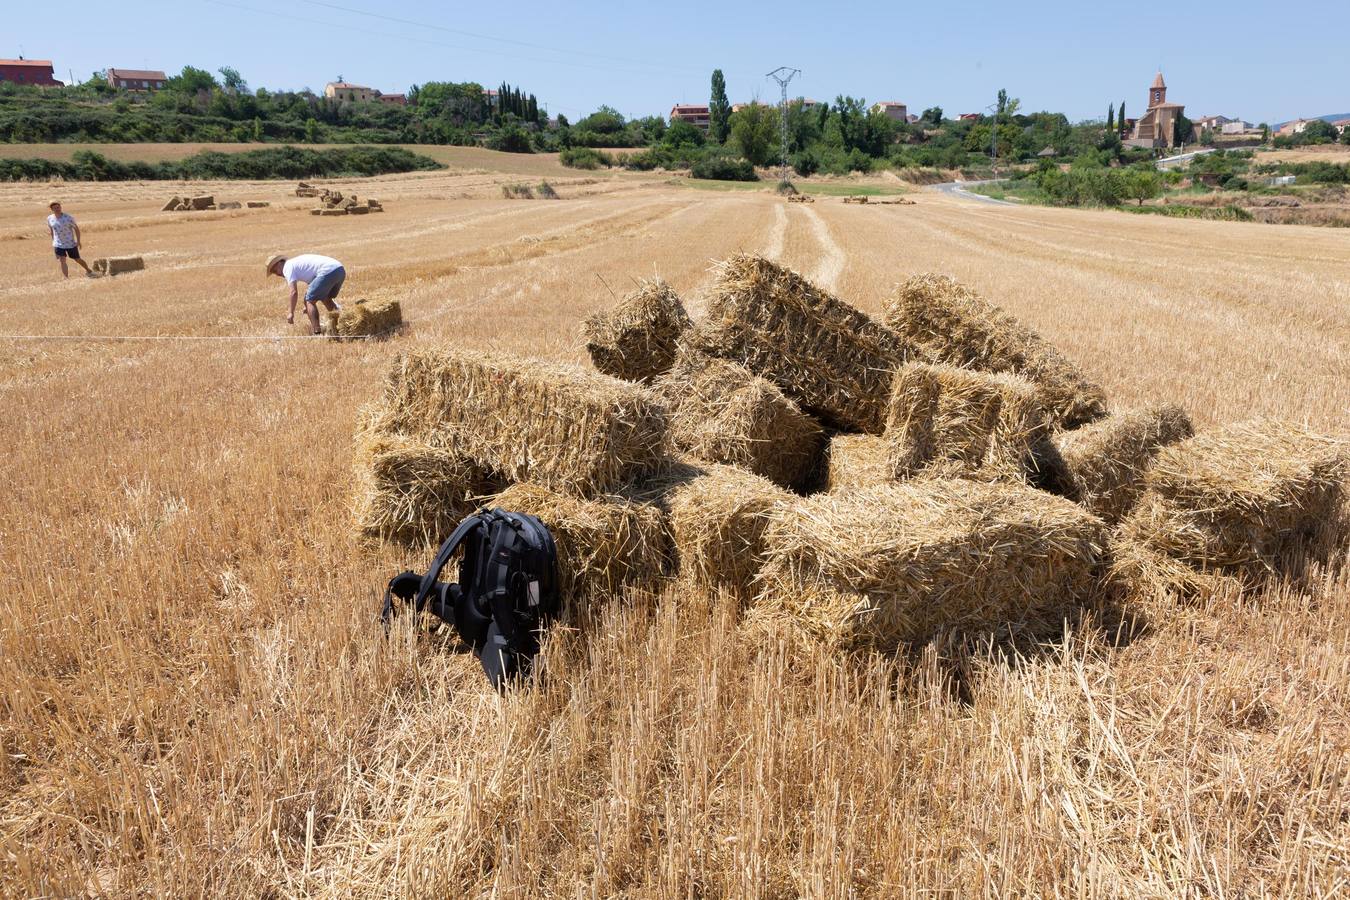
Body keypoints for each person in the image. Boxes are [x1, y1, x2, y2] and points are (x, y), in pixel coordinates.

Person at [265, 252, 345, 335]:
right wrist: (306, 306)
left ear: (279, 263)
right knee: (325, 298)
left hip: (327, 271)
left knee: (310, 301)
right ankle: (342, 325)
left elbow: (293, 292)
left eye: (275, 270)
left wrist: (291, 313)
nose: (277, 274)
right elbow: (315, 288)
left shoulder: (287, 268)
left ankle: (317, 332)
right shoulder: (295, 263)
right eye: (274, 273)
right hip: (339, 269)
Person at [47, 201, 94, 279]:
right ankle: (66, 278)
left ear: (60, 207)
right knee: (62, 260)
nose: (57, 209)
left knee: (77, 259)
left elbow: (76, 229)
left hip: (70, 243)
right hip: (58, 243)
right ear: (52, 209)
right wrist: (53, 242)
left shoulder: (68, 217)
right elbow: (52, 230)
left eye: (58, 207)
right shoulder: (50, 218)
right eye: (55, 208)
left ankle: (88, 270)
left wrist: (78, 241)